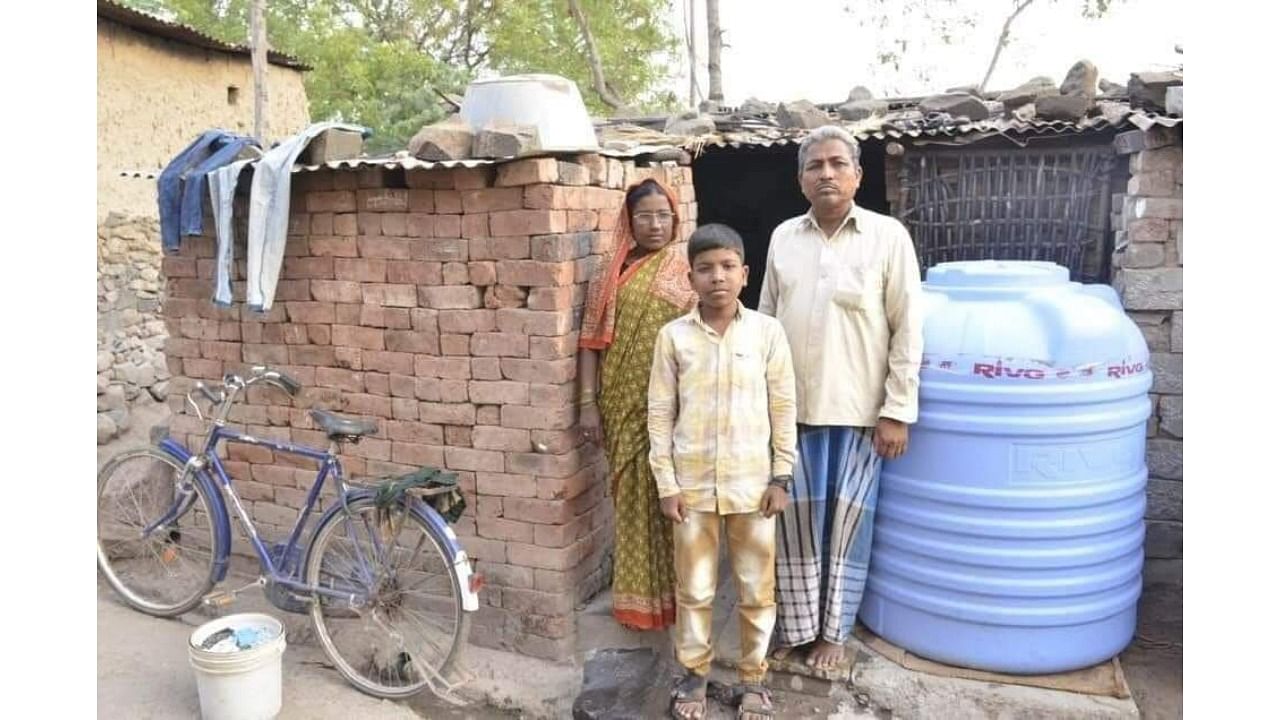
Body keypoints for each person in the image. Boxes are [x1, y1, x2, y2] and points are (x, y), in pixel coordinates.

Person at [758, 125, 924, 671]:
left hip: (858, 416)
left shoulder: (887, 236)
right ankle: (798, 627)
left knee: (847, 530)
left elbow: (907, 329)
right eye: (814, 166)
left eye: (837, 163)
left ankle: (835, 632)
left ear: (857, 174)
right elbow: (763, 326)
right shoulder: (784, 236)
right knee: (795, 528)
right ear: (800, 179)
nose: (826, 174)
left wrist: (897, 410)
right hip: (793, 416)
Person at [648, 224, 797, 720]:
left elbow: (783, 407)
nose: (718, 277)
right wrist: (667, 485)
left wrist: (781, 477)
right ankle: (693, 678)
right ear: (690, 278)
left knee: (757, 591)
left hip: (754, 488)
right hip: (691, 490)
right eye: (706, 268)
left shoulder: (767, 333)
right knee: (695, 591)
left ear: (745, 274)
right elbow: (660, 413)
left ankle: (753, 680)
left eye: (728, 266)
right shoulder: (674, 338)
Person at [578, 178, 698, 631]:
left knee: (671, 500)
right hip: (619, 405)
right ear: (628, 220)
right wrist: (587, 404)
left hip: (673, 407)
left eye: (663, 215)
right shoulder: (608, 272)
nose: (654, 224)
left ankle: (677, 601)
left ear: (675, 219)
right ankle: (635, 605)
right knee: (631, 501)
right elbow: (590, 341)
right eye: (644, 215)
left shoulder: (686, 268)